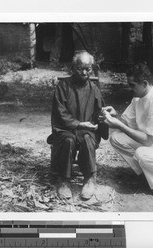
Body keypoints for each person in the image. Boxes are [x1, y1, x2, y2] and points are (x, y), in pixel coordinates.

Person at [101, 63, 153, 196]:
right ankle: (146, 174)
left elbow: (148, 141)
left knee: (142, 152)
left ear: (144, 83)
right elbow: (127, 122)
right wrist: (114, 115)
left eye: (132, 85)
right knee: (116, 138)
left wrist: (119, 125)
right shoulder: (138, 98)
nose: (130, 88)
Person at [50, 50, 108, 201]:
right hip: (66, 130)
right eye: (80, 68)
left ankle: (90, 179)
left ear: (92, 69)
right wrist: (79, 124)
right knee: (68, 140)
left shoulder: (94, 89)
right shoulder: (63, 87)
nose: (84, 72)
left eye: (88, 69)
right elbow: (60, 114)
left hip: (87, 131)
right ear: (73, 68)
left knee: (88, 139)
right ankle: (64, 180)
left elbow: (98, 112)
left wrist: (101, 117)